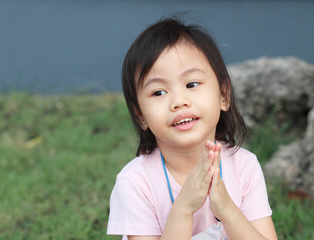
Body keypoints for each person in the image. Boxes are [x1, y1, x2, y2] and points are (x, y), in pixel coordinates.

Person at [107, 17, 278, 240]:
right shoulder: (136, 182)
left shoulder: (244, 167)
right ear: (140, 115)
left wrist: (228, 212)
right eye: (158, 92)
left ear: (223, 95)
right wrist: (183, 209)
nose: (179, 101)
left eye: (192, 84)